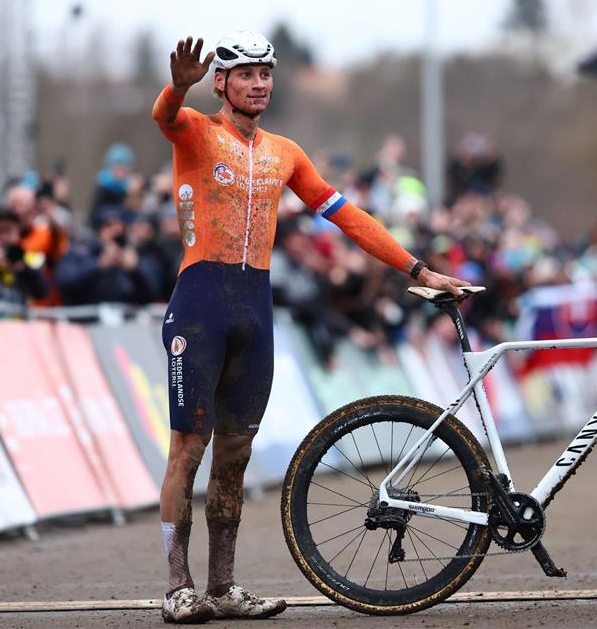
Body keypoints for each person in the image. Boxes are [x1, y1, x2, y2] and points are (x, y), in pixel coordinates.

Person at [151, 32, 469, 624]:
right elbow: (164, 115)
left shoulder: (285, 152)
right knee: (187, 450)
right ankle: (177, 584)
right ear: (221, 82)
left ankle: (222, 588)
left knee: (236, 457)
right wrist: (177, 85)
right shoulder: (196, 128)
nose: (259, 84)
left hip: (254, 307)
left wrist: (418, 268)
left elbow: (347, 216)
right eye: (245, 74)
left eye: (266, 74)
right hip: (199, 305)